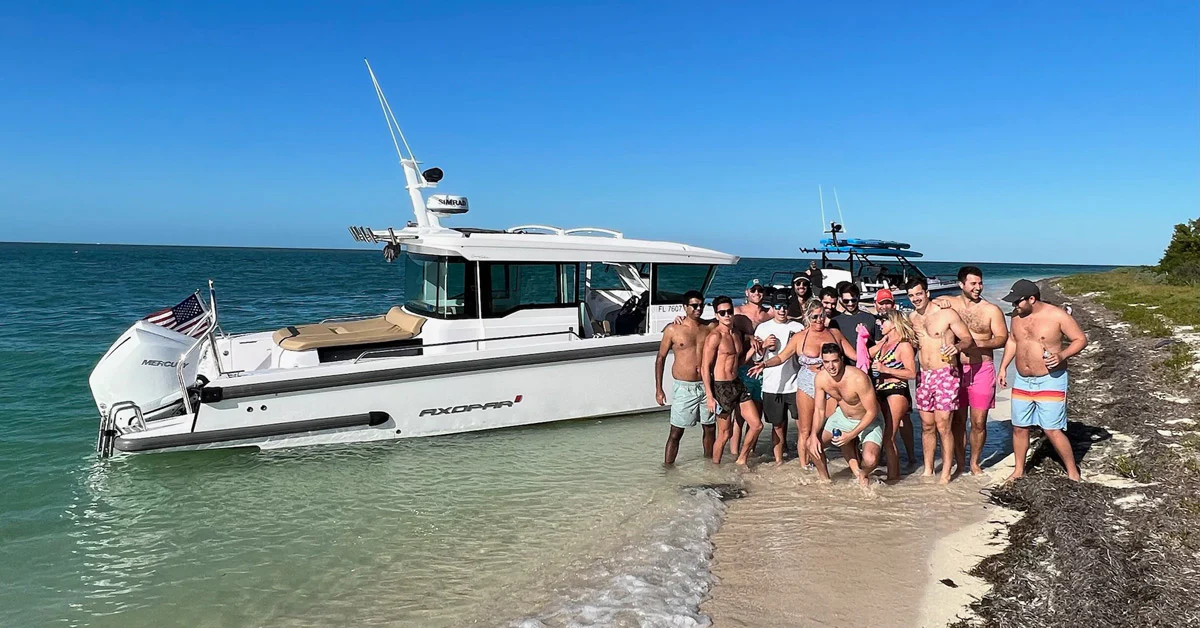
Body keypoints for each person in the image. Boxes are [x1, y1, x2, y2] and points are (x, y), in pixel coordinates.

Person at [749, 300, 856, 468]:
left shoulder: (835, 333)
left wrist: (876, 344)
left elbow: (855, 356)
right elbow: (781, 357)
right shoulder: (800, 337)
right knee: (805, 430)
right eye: (815, 317)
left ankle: (834, 462)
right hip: (807, 383)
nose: (819, 320)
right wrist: (764, 364)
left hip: (831, 384)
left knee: (829, 426)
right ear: (807, 317)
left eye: (822, 315)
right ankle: (804, 467)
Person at [998, 280, 1086, 482]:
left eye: (1017, 301)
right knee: (1019, 427)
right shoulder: (1016, 316)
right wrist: (1003, 367)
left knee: (1051, 429)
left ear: (1032, 299)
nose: (1014, 306)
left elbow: (1080, 339)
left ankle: (1073, 472)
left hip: (1050, 379)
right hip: (1022, 379)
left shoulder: (1057, 315)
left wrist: (1062, 355)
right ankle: (1019, 470)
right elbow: (1013, 340)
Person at [933, 266, 1010, 475]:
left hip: (982, 368)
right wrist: (939, 302)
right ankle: (960, 462)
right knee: (957, 420)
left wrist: (978, 344)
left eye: (980, 283)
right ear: (961, 284)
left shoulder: (991, 310)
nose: (978, 287)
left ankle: (974, 462)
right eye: (973, 283)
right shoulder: (950, 303)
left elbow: (1002, 338)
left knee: (978, 421)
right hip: (956, 370)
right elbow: (928, 305)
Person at [907, 277, 974, 484]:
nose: (915, 299)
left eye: (919, 294)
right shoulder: (912, 318)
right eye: (911, 295)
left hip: (945, 373)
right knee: (927, 425)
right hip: (924, 376)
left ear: (927, 293)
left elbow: (967, 339)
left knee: (943, 424)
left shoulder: (946, 314)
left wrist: (957, 347)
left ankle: (946, 471)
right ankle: (928, 469)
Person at [655, 290, 717, 464]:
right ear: (685, 307)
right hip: (684, 386)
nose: (698, 309)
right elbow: (660, 358)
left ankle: (709, 466)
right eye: (694, 306)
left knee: (710, 428)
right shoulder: (673, 329)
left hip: (706, 385)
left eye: (701, 305)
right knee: (676, 431)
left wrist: (752, 338)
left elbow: (731, 323)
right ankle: (667, 469)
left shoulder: (710, 327)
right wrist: (659, 389)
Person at [810, 342, 884, 486]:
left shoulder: (858, 378)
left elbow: (872, 411)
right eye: (826, 362)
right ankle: (825, 481)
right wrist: (813, 435)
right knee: (811, 445)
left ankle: (862, 473)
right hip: (842, 417)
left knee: (870, 460)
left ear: (842, 359)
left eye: (834, 361)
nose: (831, 366)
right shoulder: (821, 378)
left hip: (867, 420)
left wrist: (850, 435)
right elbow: (819, 410)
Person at [702, 296, 764, 465]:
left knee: (757, 425)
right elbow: (705, 367)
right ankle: (715, 468)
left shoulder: (736, 334)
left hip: (737, 383)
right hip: (721, 387)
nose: (727, 315)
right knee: (724, 434)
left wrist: (753, 349)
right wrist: (709, 396)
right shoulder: (715, 336)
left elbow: (738, 362)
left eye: (729, 311)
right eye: (722, 313)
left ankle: (741, 459)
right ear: (717, 315)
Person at [753, 292, 806, 465]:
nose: (782, 310)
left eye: (784, 307)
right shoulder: (762, 328)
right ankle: (779, 462)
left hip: (795, 384)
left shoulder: (797, 327)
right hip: (772, 385)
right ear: (772, 308)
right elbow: (756, 358)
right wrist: (764, 346)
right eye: (778, 307)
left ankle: (804, 460)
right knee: (777, 425)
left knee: (802, 425)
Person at [869, 310, 918, 481]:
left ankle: (893, 478)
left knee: (889, 437)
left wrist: (885, 369)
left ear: (893, 323)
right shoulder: (884, 343)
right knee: (883, 435)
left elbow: (912, 373)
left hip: (896, 390)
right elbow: (865, 354)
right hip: (880, 390)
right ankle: (891, 474)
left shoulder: (903, 345)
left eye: (883, 321)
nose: (880, 325)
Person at [732, 279, 770, 455]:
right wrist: (749, 337)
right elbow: (719, 323)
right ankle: (734, 454)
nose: (756, 293)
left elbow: (793, 316)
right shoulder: (737, 312)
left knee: (757, 415)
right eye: (753, 290)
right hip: (743, 368)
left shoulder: (769, 314)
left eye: (759, 290)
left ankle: (750, 453)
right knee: (739, 417)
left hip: (762, 370)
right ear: (746, 292)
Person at [829, 284, 876, 349]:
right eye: (846, 301)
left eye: (853, 300)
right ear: (840, 299)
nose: (850, 304)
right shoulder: (835, 322)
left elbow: (878, 342)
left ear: (858, 297)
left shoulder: (871, 318)